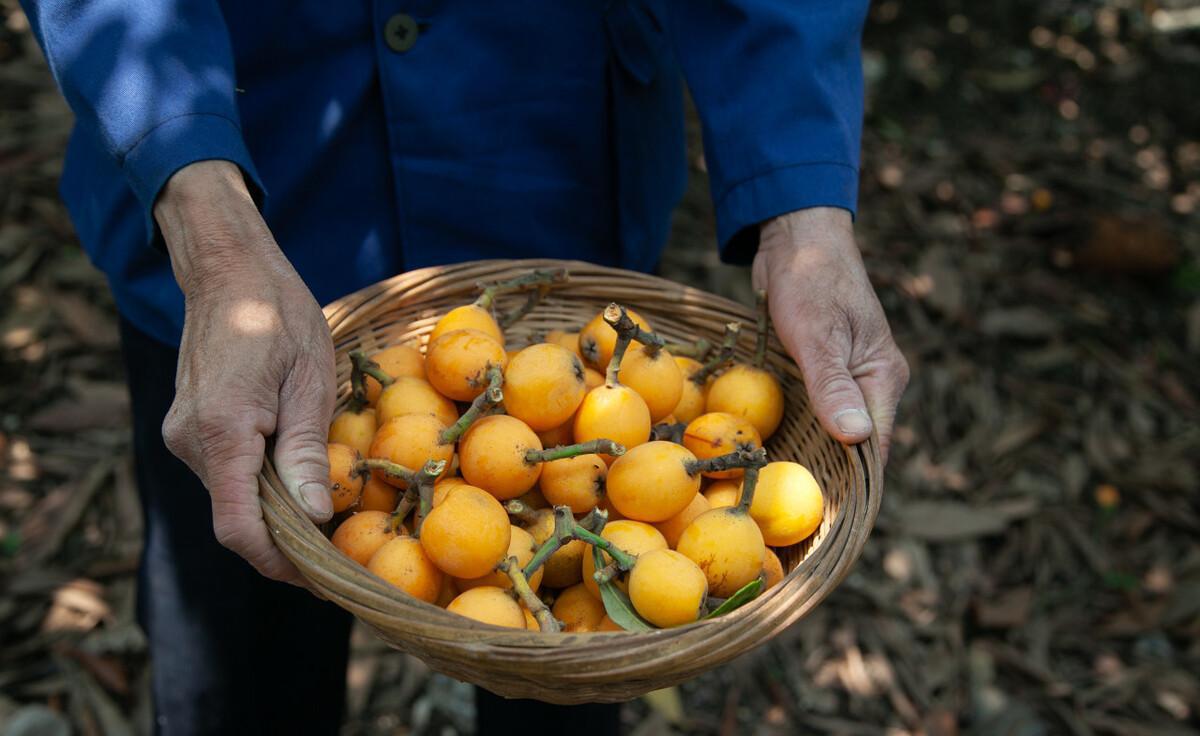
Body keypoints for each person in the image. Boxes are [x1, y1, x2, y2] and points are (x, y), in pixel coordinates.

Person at [21, 1, 909, 733]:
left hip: (545, 158)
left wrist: (803, 209)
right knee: (237, 670)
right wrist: (207, 231)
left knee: (566, 679)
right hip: (248, 176)